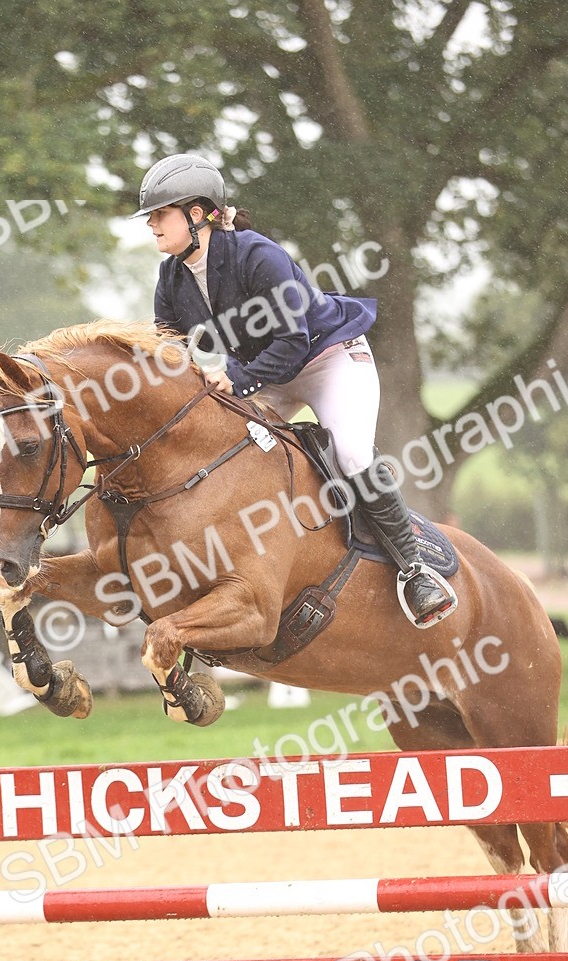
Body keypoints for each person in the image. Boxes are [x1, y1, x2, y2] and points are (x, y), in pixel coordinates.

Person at [131, 152, 455, 627]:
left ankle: (415, 569)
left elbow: (293, 342)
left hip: (328, 359)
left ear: (196, 214)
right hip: (268, 371)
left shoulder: (258, 255)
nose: (153, 226)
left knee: (352, 455)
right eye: (151, 218)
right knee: (230, 452)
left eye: (160, 215)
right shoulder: (172, 276)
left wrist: (235, 380)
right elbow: (168, 348)